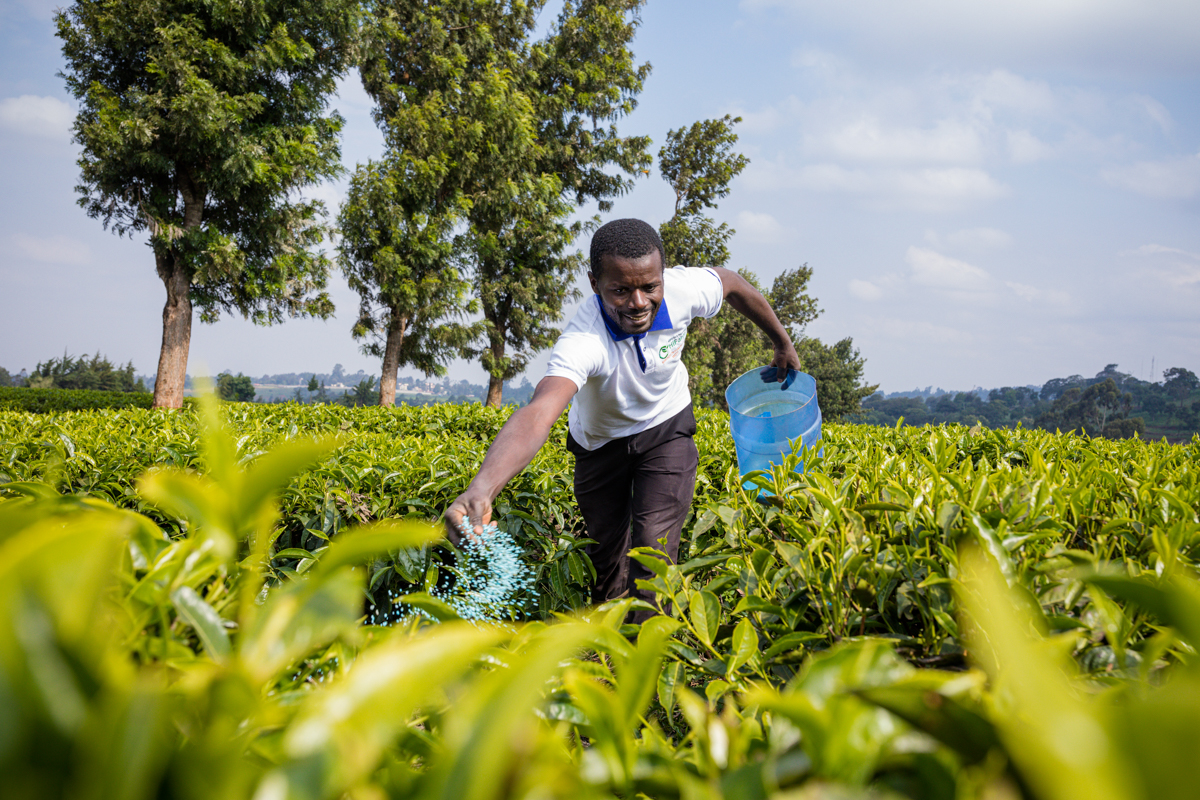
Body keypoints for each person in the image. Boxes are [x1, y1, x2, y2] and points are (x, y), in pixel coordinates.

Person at [444, 218, 800, 620]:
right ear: (594, 282)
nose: (638, 302)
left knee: (652, 550)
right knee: (606, 555)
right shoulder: (584, 340)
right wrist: (482, 488)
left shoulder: (682, 291)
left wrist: (781, 341)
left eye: (650, 287)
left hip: (666, 429)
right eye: (620, 290)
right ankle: (608, 641)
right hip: (600, 447)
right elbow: (539, 412)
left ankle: (644, 662)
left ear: (662, 275)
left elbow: (732, 283)